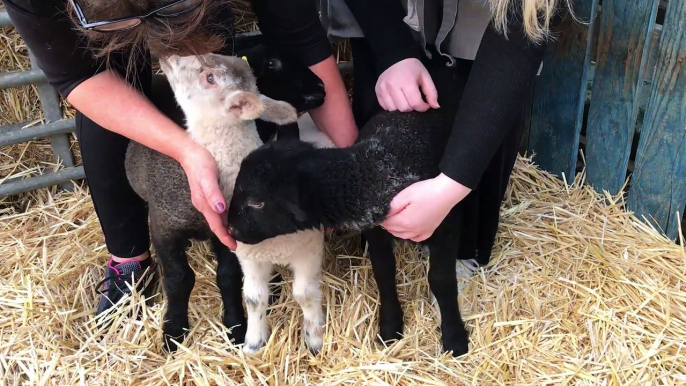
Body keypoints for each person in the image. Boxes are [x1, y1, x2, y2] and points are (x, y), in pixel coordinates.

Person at [5, 0, 358, 318]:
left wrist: (350, 172)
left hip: (196, 18)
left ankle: (252, 235)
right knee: (116, 68)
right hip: (105, 28)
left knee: (211, 61)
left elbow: (299, 35)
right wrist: (187, 151)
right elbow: (79, 75)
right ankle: (128, 258)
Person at [319, 0, 571, 266]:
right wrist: (393, 52)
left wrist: (449, 187)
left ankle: (463, 249)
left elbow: (519, 35)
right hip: (389, 10)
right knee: (389, 96)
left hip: (489, 17)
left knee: (477, 91)